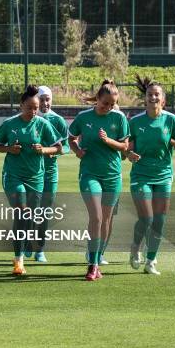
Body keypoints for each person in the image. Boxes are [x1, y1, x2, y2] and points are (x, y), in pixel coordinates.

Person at [0, 85, 62, 275]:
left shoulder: (43, 124)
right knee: (22, 213)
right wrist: (9, 149)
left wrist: (44, 150)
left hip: (36, 177)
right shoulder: (10, 124)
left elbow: (59, 147)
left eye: (36, 108)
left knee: (29, 217)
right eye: (29, 107)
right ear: (21, 105)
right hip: (13, 175)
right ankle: (19, 260)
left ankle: (26, 244)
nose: (33, 111)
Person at [127, 76, 175, 275]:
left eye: (157, 95)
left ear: (163, 100)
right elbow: (127, 147)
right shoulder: (135, 121)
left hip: (163, 176)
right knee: (146, 218)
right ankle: (136, 247)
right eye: (150, 95)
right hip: (141, 175)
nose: (153, 97)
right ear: (145, 99)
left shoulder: (171, 120)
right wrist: (129, 153)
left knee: (159, 220)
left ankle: (151, 260)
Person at [68, 80, 130, 281]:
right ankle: (92, 265)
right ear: (97, 99)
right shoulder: (83, 117)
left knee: (106, 221)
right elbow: (71, 138)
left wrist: (108, 141)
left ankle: (97, 257)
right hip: (89, 174)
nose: (108, 108)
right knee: (96, 217)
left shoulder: (119, 118)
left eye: (112, 105)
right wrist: (78, 151)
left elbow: (124, 147)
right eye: (105, 104)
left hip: (112, 175)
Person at [35, 86, 69, 262]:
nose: (45, 103)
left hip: (49, 172)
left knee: (45, 211)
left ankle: (39, 249)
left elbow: (67, 146)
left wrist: (56, 151)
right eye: (41, 99)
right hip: (31, 172)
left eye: (47, 99)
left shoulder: (58, 120)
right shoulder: (28, 118)